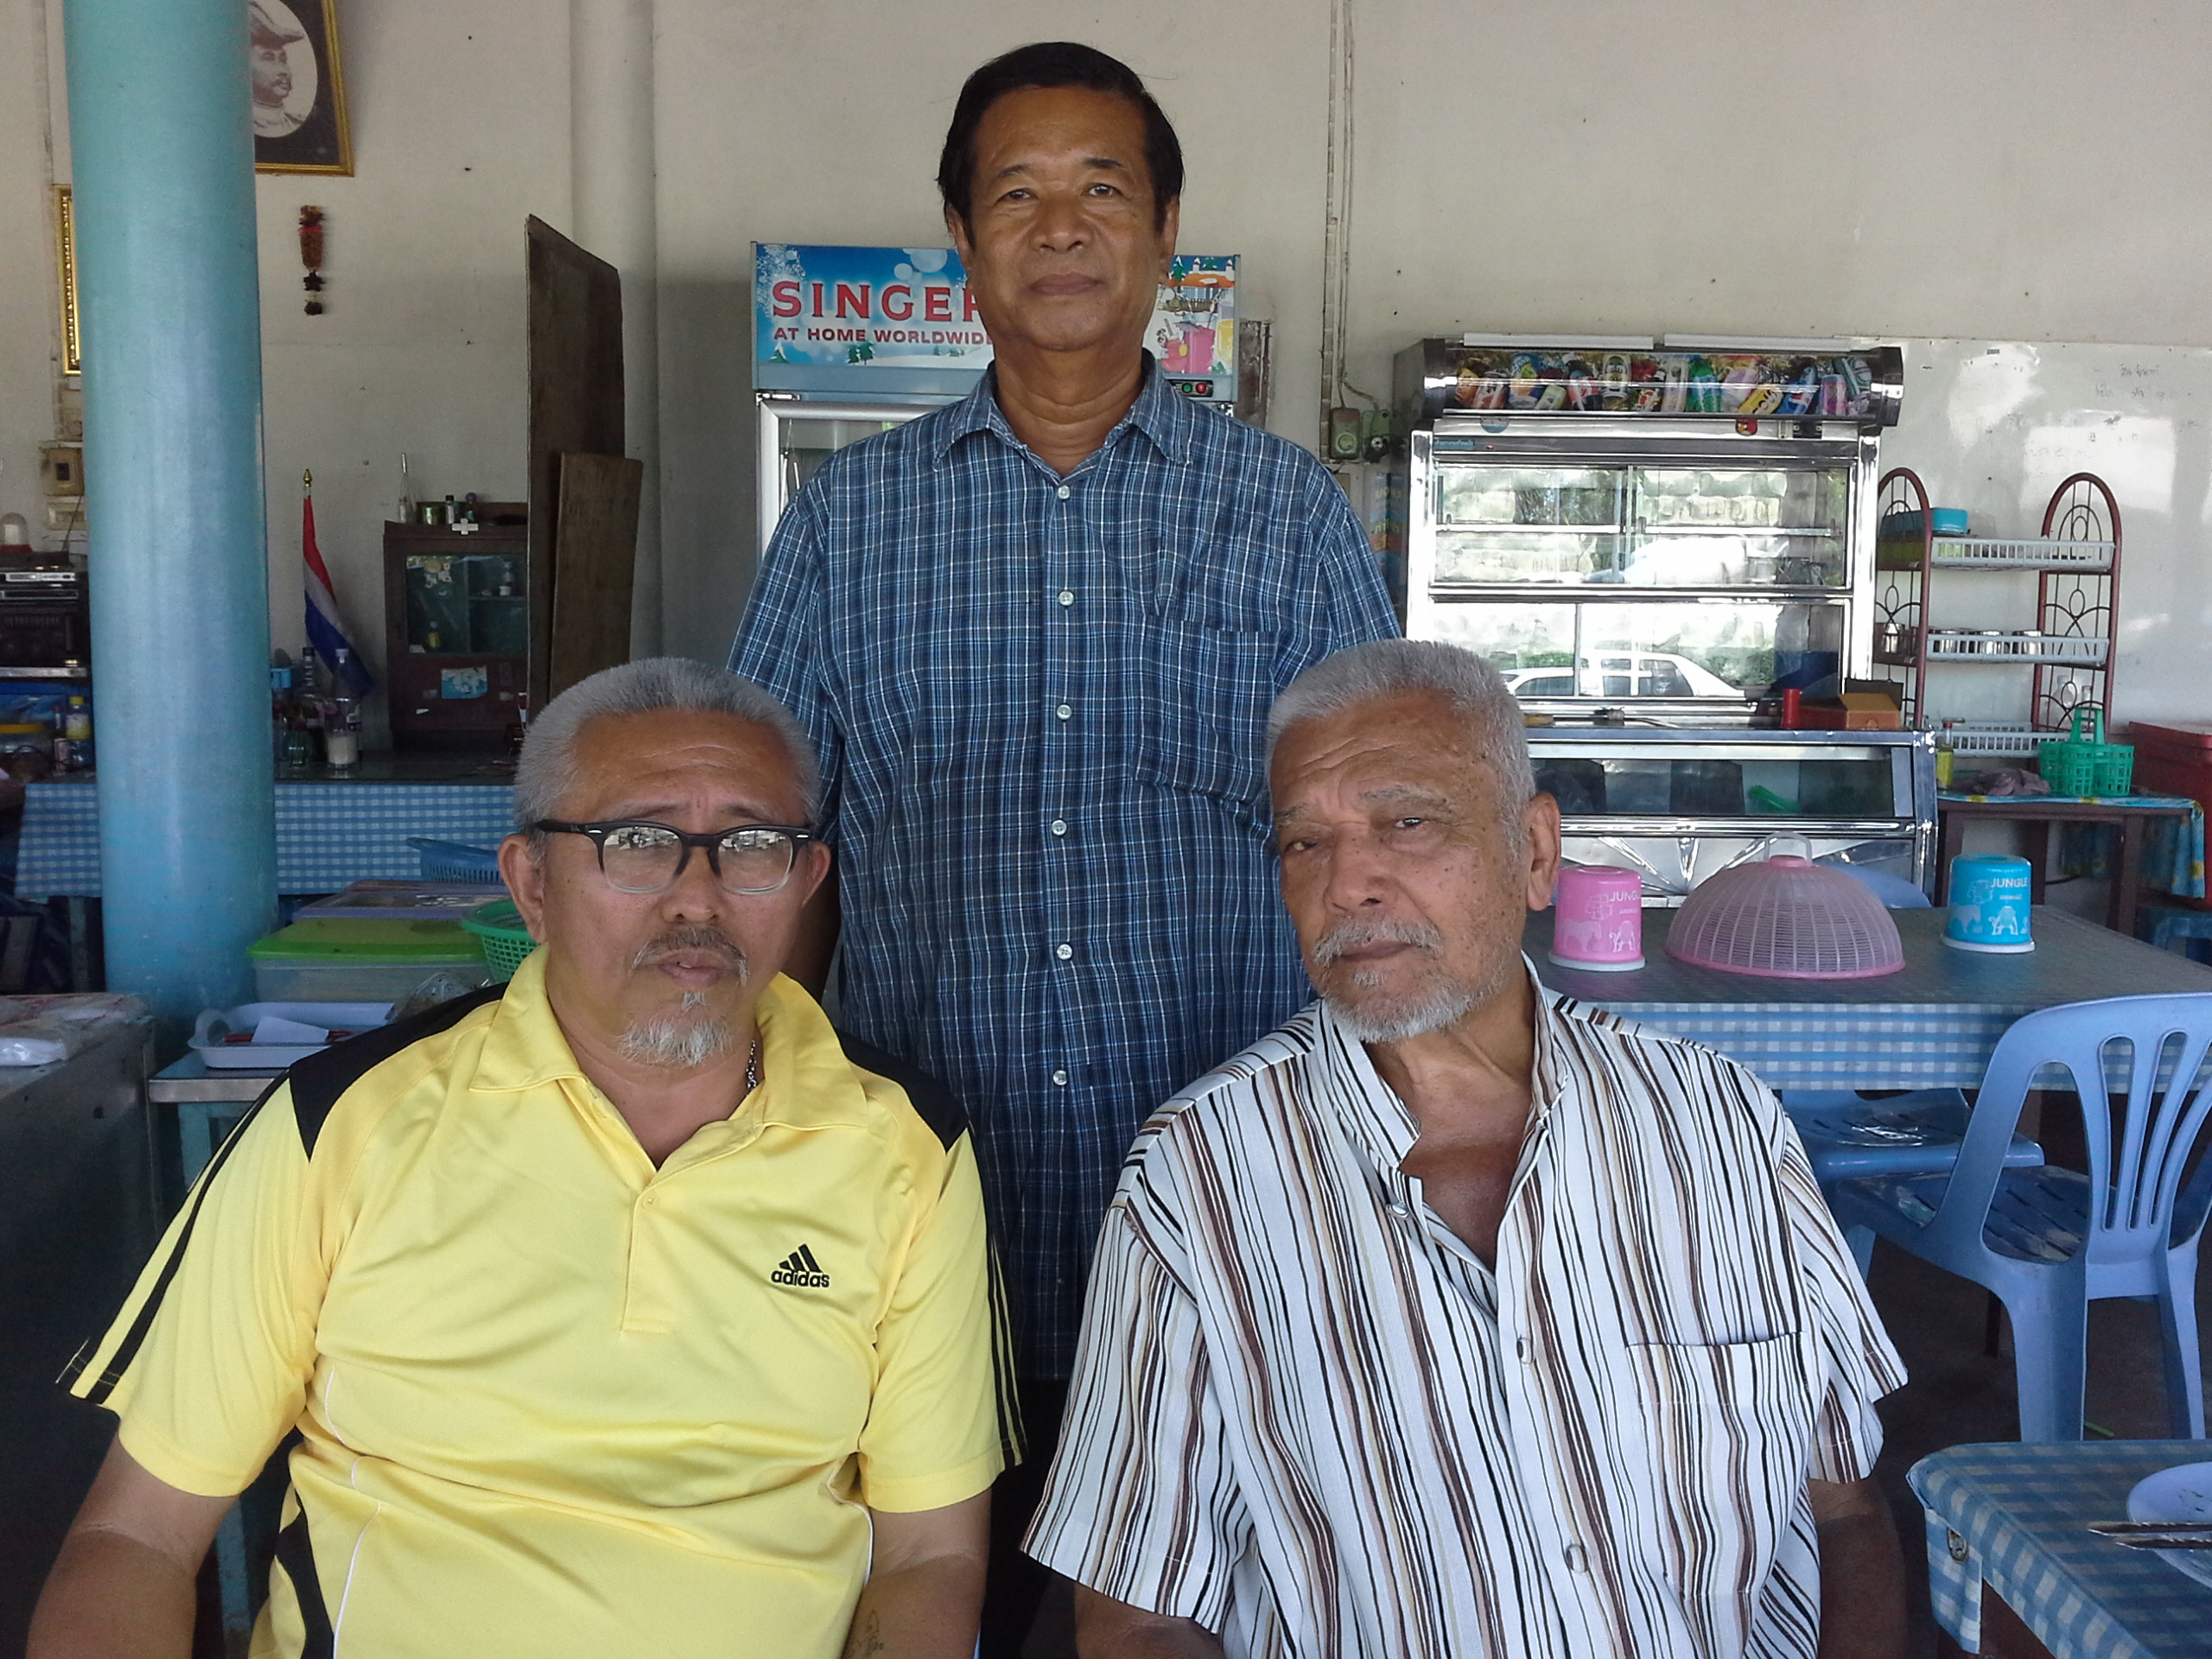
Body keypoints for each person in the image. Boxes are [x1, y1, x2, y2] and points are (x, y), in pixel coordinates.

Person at [732, 40, 1399, 1650]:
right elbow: (771, 847)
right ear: (962, 243)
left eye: (1103, 189)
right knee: (926, 1583)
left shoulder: (1288, 514)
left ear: (1165, 235)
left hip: (1231, 1193)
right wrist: (760, 1126)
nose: (1060, 227)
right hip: (924, 1192)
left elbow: (1379, 834)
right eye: (1016, 194)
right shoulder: (844, 525)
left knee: (1212, 1598)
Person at [31, 658, 1013, 1659]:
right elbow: (138, 1535)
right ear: (531, 885)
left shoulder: (905, 1147)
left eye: (752, 845)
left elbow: (929, 1553)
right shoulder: (342, 1123)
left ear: (805, 881)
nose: (697, 900)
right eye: (638, 843)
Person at [1027, 639, 1910, 1659]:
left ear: (1534, 852)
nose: (1347, 883)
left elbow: (1845, 1509)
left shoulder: (1720, 1126)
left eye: (1406, 823)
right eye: (1304, 843)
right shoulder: (1196, 1181)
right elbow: (1135, 1613)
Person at [249, 0, 308, 139]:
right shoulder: (240, 127)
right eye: (268, 58)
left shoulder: (295, 124)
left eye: (283, 60)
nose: (284, 71)